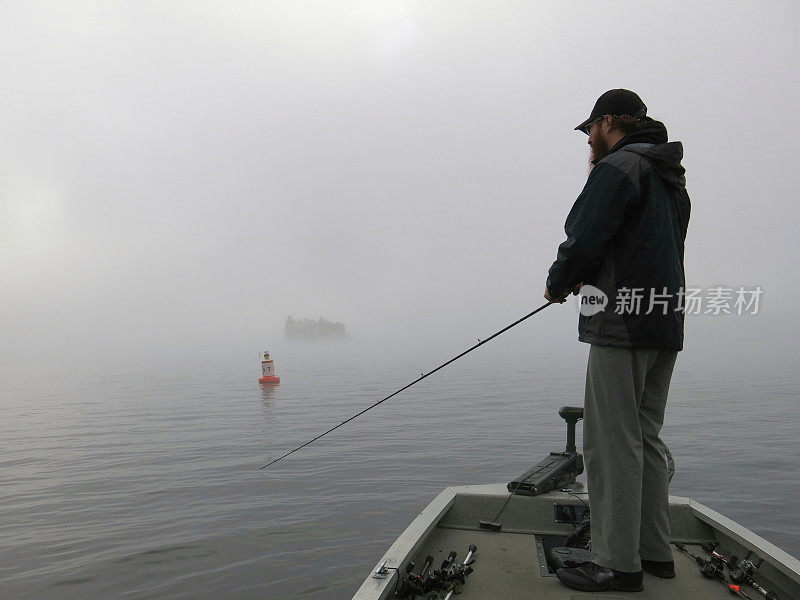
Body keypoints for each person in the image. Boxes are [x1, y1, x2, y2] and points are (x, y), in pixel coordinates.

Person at [544, 89, 691, 593]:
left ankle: (616, 564)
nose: (589, 140)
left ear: (608, 122)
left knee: (611, 444)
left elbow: (585, 237)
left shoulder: (618, 167)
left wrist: (558, 282)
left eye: (590, 130)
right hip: (663, 325)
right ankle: (654, 554)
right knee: (645, 439)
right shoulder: (671, 177)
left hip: (620, 324)